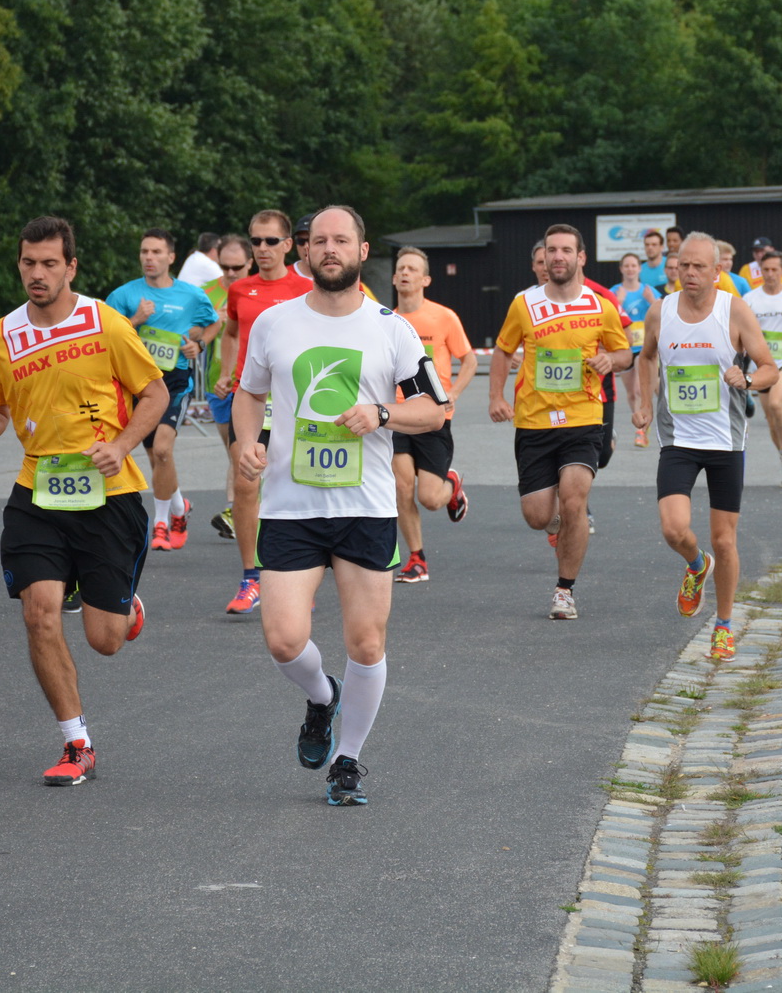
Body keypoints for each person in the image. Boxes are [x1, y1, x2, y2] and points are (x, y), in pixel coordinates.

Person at [233, 205, 447, 806]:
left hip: (366, 507)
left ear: (361, 250)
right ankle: (323, 697)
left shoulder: (391, 328)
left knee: (367, 643)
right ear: (305, 251)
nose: (329, 249)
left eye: (341, 240)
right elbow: (249, 393)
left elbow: (435, 408)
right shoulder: (275, 323)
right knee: (282, 638)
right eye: (319, 241)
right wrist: (247, 441)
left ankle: (348, 760)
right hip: (290, 506)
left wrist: (382, 413)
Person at [0, 215, 165, 785]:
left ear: (71, 267)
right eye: (29, 263)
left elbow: (153, 392)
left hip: (109, 494)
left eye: (49, 263)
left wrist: (125, 443)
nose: (37, 274)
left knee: (104, 641)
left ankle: (119, 604)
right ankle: (75, 742)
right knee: (39, 614)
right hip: (38, 491)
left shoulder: (104, 322)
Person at [632, 233, 777, 662]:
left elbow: (770, 367)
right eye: (683, 266)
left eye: (699, 267)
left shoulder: (734, 311)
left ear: (718, 271)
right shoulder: (661, 311)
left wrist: (747, 380)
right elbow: (646, 358)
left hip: (724, 442)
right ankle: (697, 565)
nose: (689, 273)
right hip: (678, 439)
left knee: (725, 540)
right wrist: (642, 403)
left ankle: (724, 625)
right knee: (674, 529)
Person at [490, 224, 631, 619]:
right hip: (534, 421)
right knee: (538, 515)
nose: (558, 257)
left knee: (574, 499)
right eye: (552, 250)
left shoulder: (600, 305)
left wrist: (610, 360)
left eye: (566, 250)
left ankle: (564, 591)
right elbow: (503, 351)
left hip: (584, 417)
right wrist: (496, 397)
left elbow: (625, 355)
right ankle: (559, 526)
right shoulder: (524, 304)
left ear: (580, 257)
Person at [214, 210, 313, 614]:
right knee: (245, 482)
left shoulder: (307, 288)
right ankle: (251, 577)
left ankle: (300, 573)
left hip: (295, 402)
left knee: (298, 486)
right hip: (251, 399)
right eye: (256, 241)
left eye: (272, 241)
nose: (263, 249)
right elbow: (233, 333)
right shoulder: (241, 289)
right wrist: (226, 373)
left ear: (289, 245)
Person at [107, 228, 219, 550]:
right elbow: (107, 339)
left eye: (156, 252)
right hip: (138, 384)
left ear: (171, 257)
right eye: (144, 252)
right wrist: (135, 318)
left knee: (162, 450)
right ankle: (180, 507)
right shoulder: (124, 296)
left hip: (174, 382)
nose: (149, 258)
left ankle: (160, 525)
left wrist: (198, 344)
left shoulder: (190, 295)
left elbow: (213, 324)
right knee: (159, 460)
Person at [389, 245, 475, 583]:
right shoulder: (387, 321)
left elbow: (468, 360)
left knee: (429, 498)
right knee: (401, 484)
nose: (405, 273)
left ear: (425, 279)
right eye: (401, 269)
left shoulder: (443, 317)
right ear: (394, 278)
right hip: (397, 414)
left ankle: (451, 484)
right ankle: (416, 558)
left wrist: (453, 392)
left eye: (412, 269)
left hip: (433, 415)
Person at [204, 235, 254, 540]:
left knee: (244, 452)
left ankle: (236, 511)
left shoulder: (260, 290)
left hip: (255, 386)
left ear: (250, 262)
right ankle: (239, 510)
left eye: (237, 266)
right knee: (234, 451)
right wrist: (211, 326)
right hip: (218, 384)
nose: (231, 272)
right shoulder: (206, 292)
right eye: (225, 266)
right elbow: (191, 331)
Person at [742, 249, 782, 487]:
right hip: (762, 365)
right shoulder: (750, 299)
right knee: (770, 419)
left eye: (774, 270)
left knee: (777, 404)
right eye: (765, 270)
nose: (770, 274)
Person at [610, 252, 662, 447]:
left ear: (639, 269)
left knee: (640, 388)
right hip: (624, 345)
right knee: (631, 393)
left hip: (644, 346)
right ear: (621, 269)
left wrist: (651, 301)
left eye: (634, 265)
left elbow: (662, 312)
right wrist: (619, 302)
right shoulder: (614, 292)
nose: (630, 269)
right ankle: (641, 424)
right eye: (627, 266)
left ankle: (641, 430)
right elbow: (606, 318)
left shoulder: (649, 290)